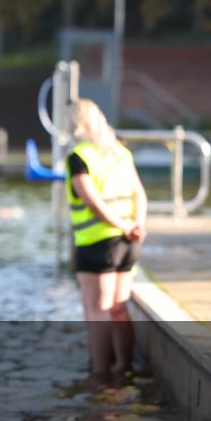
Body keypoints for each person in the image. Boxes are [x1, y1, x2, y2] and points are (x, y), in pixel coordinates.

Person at [66, 99, 147, 378]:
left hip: (98, 244)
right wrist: (137, 226)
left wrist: (122, 226)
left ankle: (100, 376)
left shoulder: (80, 157)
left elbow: (94, 203)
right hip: (129, 244)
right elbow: (140, 193)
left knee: (96, 309)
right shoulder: (120, 153)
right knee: (118, 308)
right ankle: (125, 367)